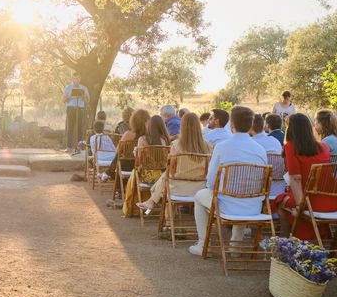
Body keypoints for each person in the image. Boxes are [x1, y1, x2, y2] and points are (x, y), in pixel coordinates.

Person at [189, 106, 268, 256]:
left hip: (227, 206)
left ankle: (202, 244)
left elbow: (210, 182)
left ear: (232, 125)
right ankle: (235, 246)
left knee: (199, 196)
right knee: (240, 194)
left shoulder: (222, 147)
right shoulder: (260, 150)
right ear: (251, 125)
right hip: (254, 207)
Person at [137, 112, 213, 211]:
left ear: (183, 126)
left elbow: (171, 170)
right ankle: (152, 201)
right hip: (201, 189)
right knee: (166, 175)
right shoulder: (208, 146)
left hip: (178, 189)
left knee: (166, 175)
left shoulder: (176, 145)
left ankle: (153, 202)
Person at [275, 113, 333, 239]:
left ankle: (285, 243)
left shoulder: (291, 147)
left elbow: (296, 179)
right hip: (332, 201)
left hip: (309, 201)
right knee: (287, 201)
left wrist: (300, 206)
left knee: (280, 202)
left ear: (290, 129)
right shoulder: (324, 147)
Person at [123, 114, 171, 216]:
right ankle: (150, 206)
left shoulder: (143, 139)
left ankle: (135, 209)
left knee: (134, 174)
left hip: (147, 178)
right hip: (162, 177)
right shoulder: (166, 140)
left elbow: (139, 161)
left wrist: (136, 152)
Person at [62, 72, 90, 152]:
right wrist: (70, 96)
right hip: (71, 108)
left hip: (80, 108)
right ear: (72, 79)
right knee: (70, 127)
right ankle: (69, 147)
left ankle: (79, 148)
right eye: (74, 78)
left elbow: (88, 100)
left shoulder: (84, 88)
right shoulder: (68, 88)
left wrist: (84, 97)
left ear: (80, 79)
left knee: (80, 128)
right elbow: (63, 100)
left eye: (77, 78)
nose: (76, 80)